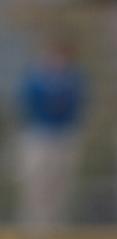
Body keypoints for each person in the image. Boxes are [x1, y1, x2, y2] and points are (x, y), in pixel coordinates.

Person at [17, 38, 86, 228]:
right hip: (39, 136)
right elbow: (27, 105)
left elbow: (77, 107)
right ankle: (34, 226)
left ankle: (57, 226)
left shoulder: (74, 80)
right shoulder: (35, 79)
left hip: (65, 137)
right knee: (37, 185)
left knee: (60, 186)